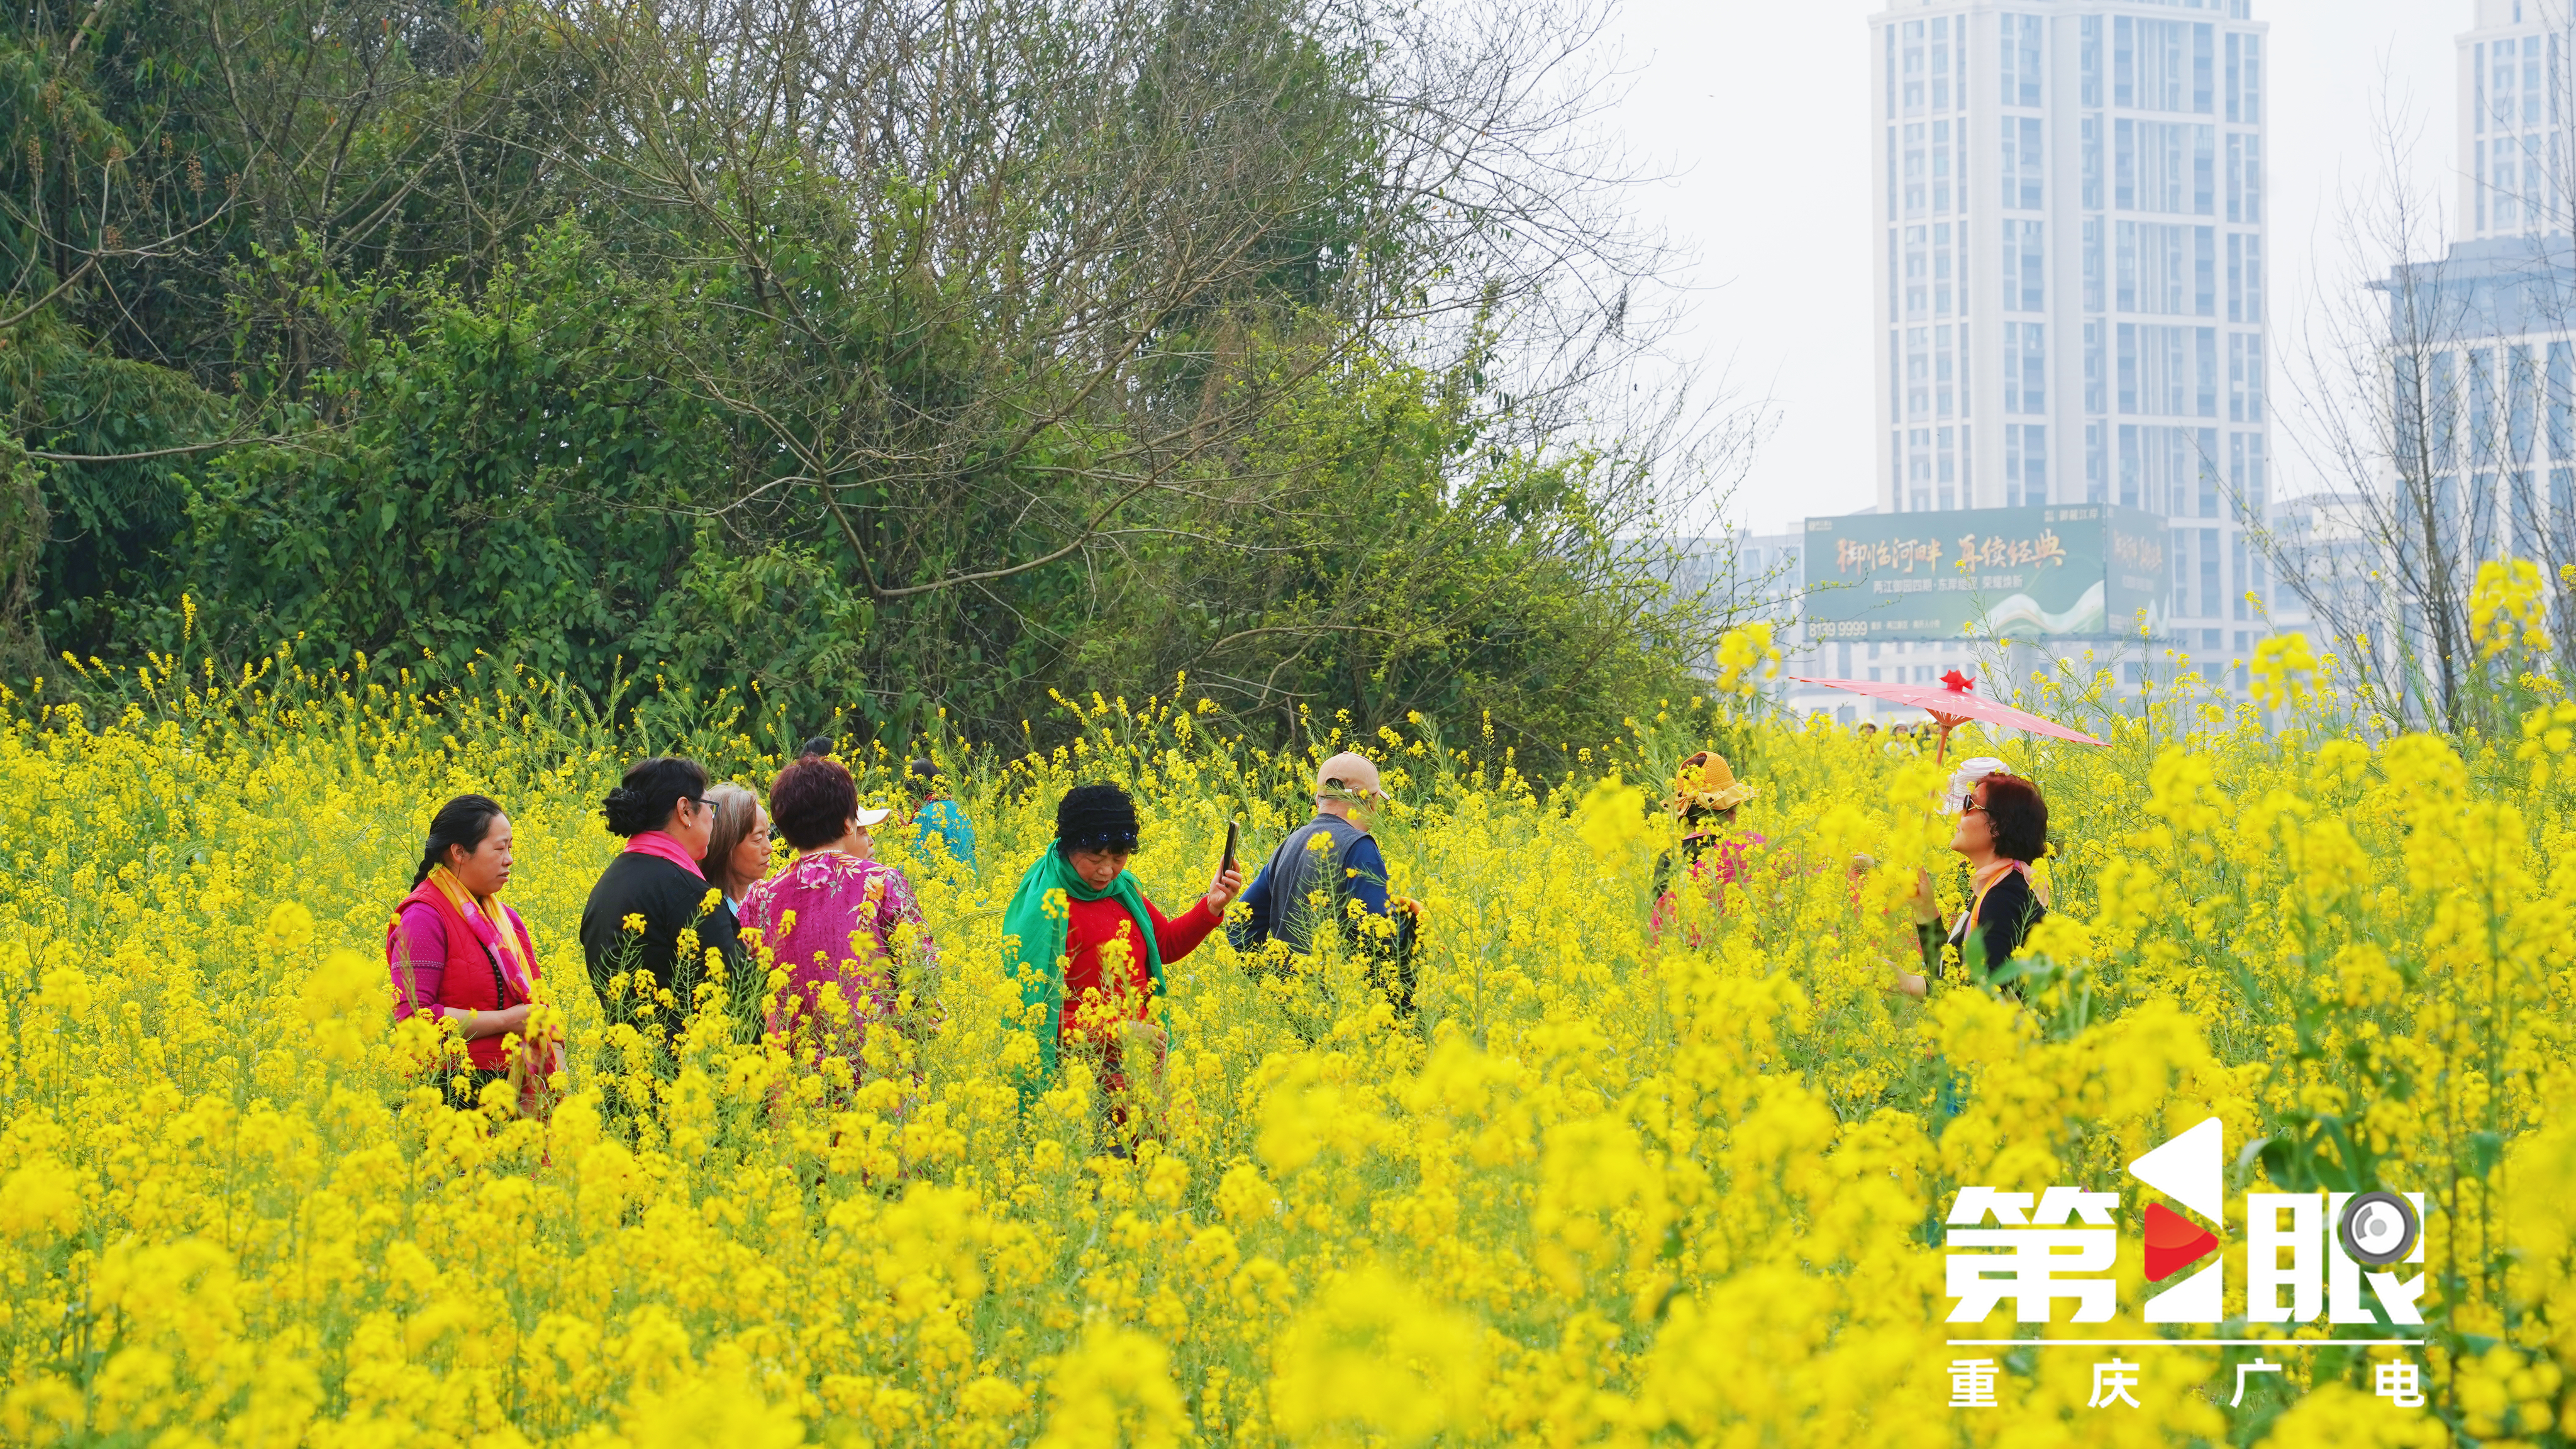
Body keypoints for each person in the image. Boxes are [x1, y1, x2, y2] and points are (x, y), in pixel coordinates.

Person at [1001, 783, 1241, 1126]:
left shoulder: (1122, 891)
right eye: (1095, 859)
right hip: (1083, 1089)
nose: (1107, 871)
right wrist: (1117, 1030)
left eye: (1118, 858)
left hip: (1143, 1070)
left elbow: (1166, 944)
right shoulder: (1046, 909)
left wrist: (1212, 905)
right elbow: (1035, 1016)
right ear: (1068, 848)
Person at [738, 757, 935, 1077]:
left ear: (785, 831)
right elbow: (924, 974)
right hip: (880, 1079)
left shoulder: (760, 898)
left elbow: (754, 995)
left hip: (799, 1085)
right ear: (848, 824)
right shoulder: (882, 883)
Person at [385, 794, 558, 1112]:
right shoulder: (424, 918)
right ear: (459, 852)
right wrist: (507, 1020)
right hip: (454, 1092)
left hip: (514, 1087)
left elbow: (538, 1004)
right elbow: (413, 1020)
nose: (509, 859)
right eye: (499, 848)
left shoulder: (506, 919)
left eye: (511, 848)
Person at [578, 755, 755, 1041]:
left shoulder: (608, 885)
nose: (713, 817)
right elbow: (739, 995)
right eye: (710, 807)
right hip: (678, 1073)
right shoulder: (689, 892)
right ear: (685, 811)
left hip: (623, 1066)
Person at [1230, 751, 1418, 1008]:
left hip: (1301, 1015)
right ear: (1372, 801)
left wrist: (1278, 987)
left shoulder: (1289, 844)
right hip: (1351, 1016)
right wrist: (1414, 926)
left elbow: (1240, 923)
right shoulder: (1359, 846)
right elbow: (1381, 937)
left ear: (1319, 798)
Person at [1894, 771, 2050, 997]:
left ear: (1998, 826)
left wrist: (1908, 984)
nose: (1959, 813)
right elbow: (1950, 974)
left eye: (1969, 804)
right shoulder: (1998, 886)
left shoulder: (2005, 897)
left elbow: (1984, 996)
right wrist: (1925, 908)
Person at [1649, 751, 1765, 940]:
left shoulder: (1669, 859)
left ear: (1686, 814)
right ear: (1732, 811)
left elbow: (1659, 931)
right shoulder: (1755, 849)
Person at [699, 782, 774, 924]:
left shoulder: (768, 899)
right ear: (726, 845)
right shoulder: (710, 916)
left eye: (768, 835)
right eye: (758, 839)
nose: (769, 848)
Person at [906, 757, 979, 877]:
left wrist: (889, 868)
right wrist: (909, 830)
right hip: (972, 885)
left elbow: (922, 865)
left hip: (947, 890)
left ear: (914, 789)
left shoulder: (924, 816)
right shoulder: (957, 807)